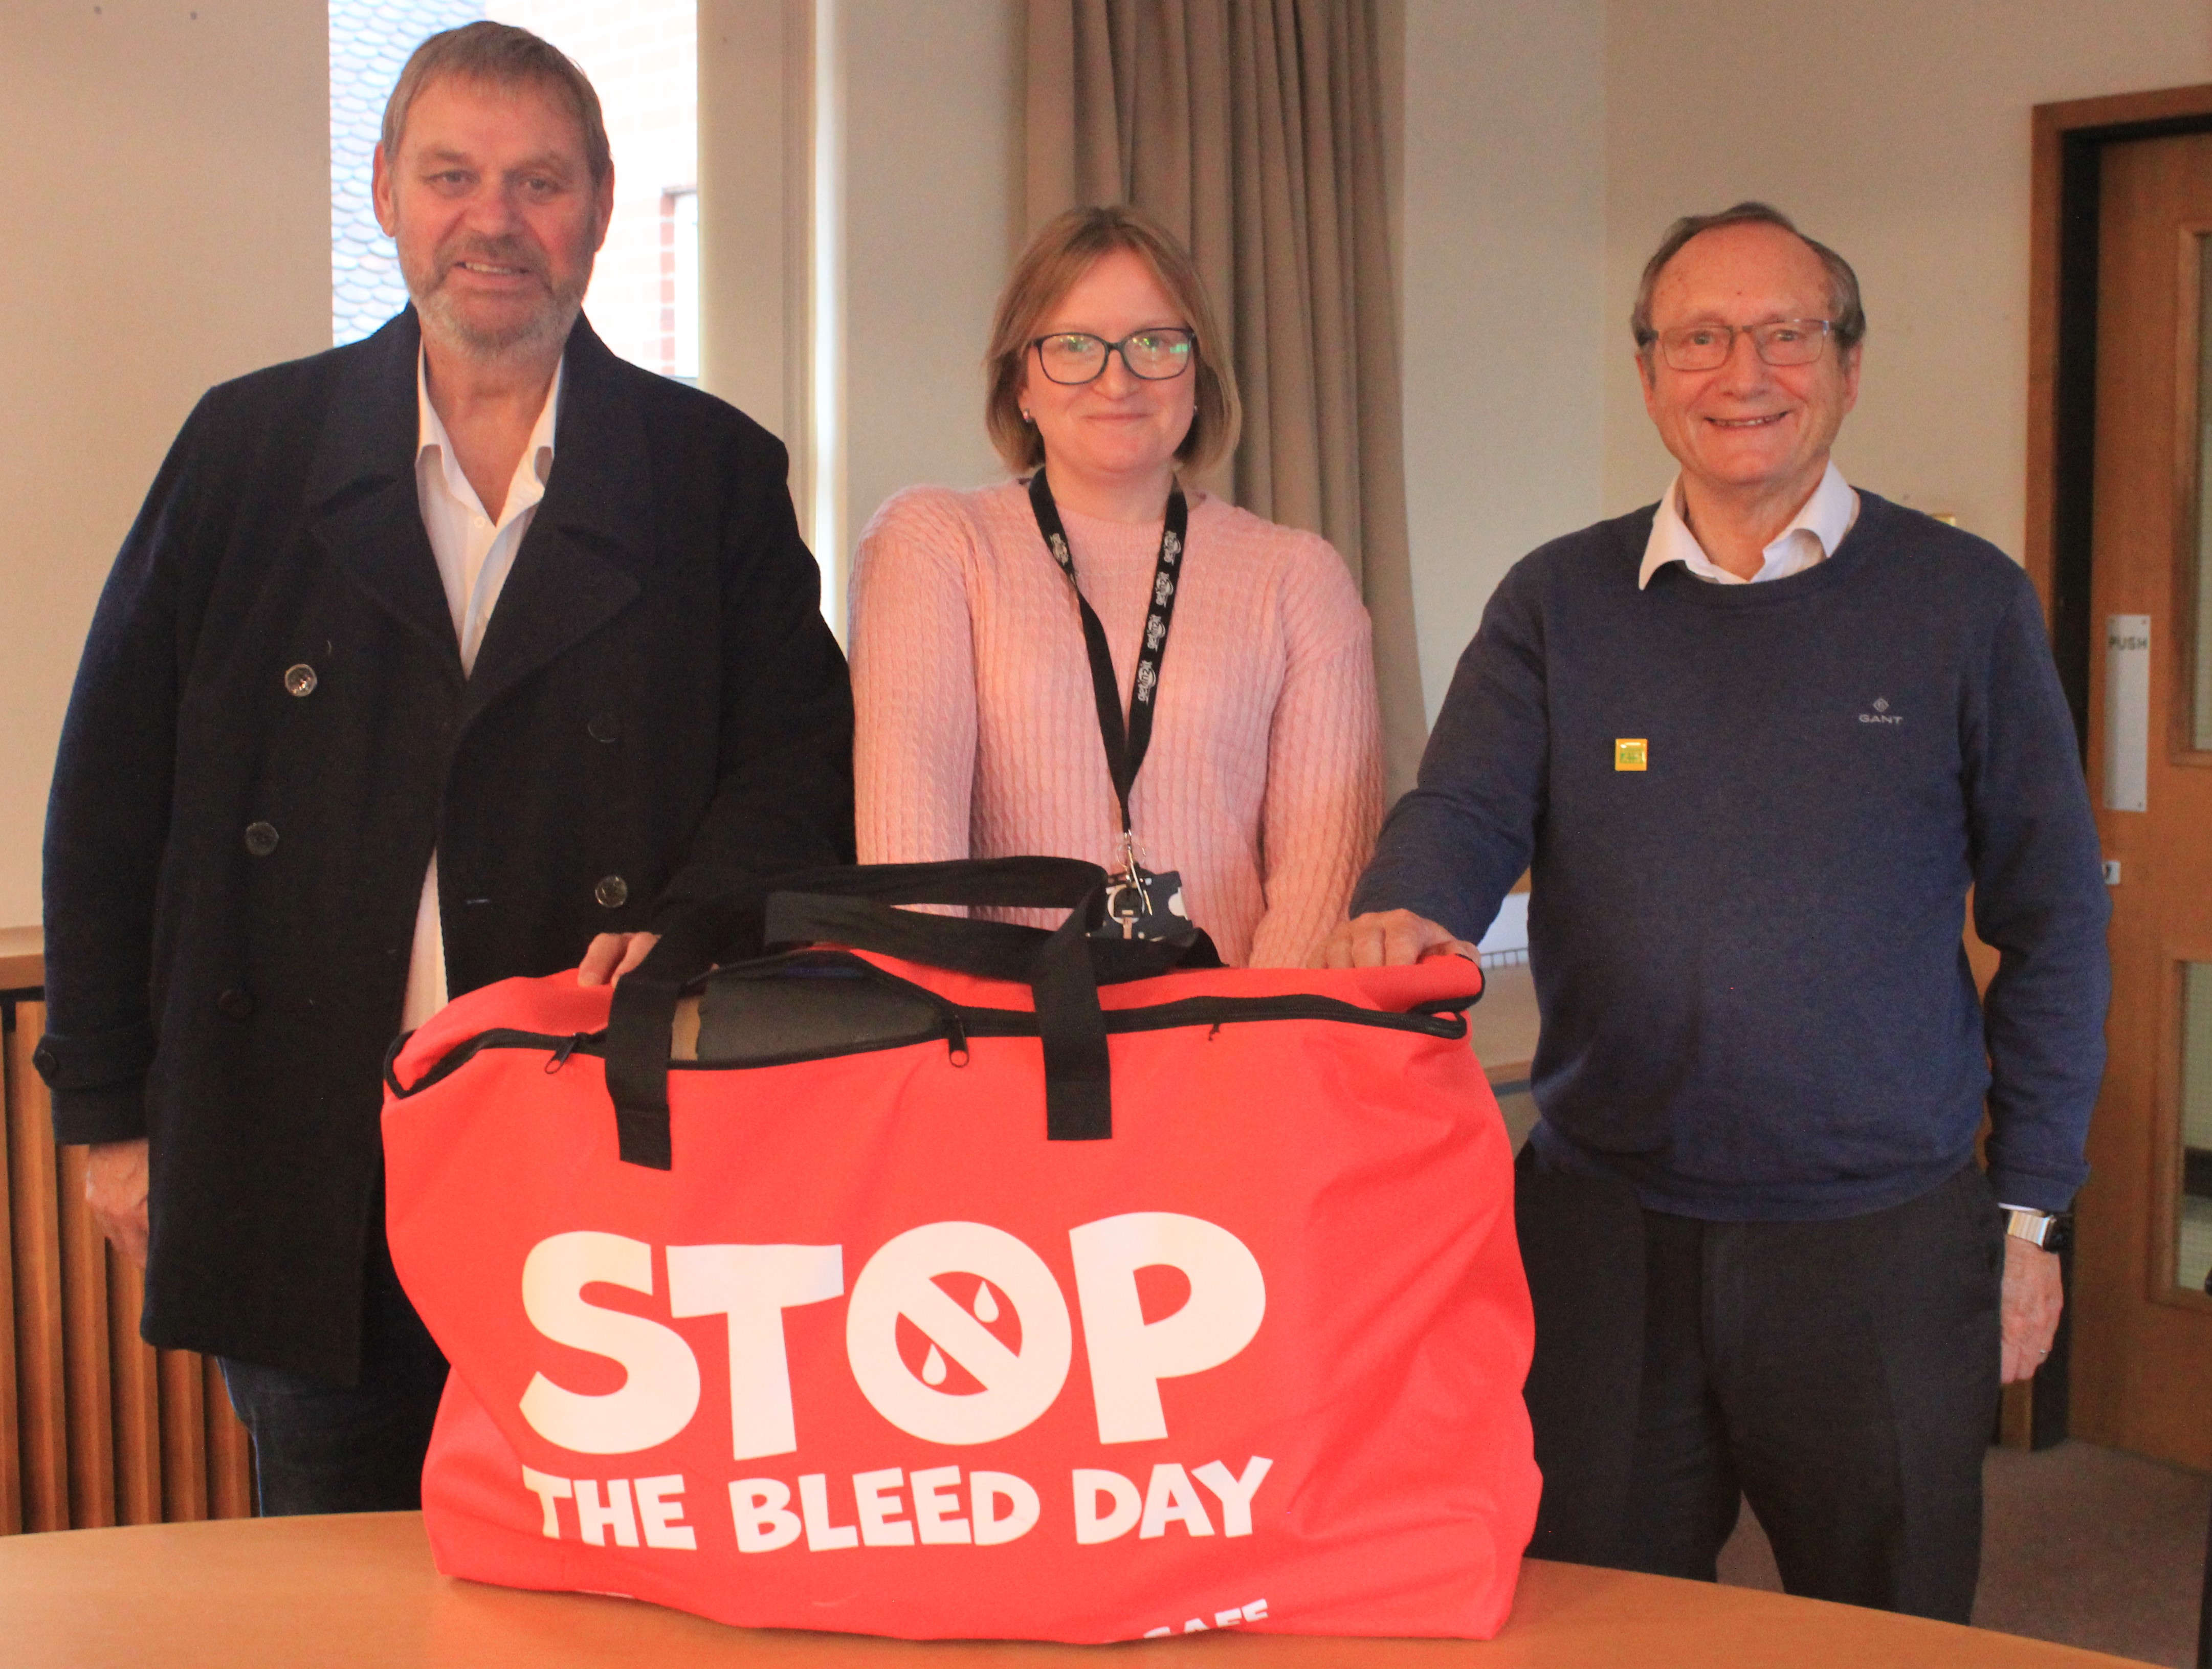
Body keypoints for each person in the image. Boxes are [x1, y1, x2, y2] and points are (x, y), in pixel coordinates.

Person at [33, 23, 853, 1514]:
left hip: (603, 1147)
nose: (496, 219)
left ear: (600, 204)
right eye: (453, 175)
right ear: (386, 193)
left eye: (539, 181)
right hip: (295, 1150)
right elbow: (109, 793)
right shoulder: (247, 449)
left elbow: (799, 769)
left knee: (601, 1575)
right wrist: (107, 1115)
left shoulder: (710, 473)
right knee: (339, 1573)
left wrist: (693, 917)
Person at [1315, 202, 2108, 1621]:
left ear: (1847, 365)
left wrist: (2033, 1214)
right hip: (1604, 1226)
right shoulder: (1557, 598)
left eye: (1783, 332)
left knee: (1888, 1624)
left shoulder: (1963, 602)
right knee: (1596, 1617)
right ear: (1649, 374)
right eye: (1699, 336)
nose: (1741, 369)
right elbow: (1463, 806)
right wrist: (1404, 907)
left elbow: (2054, 916)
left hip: (1874, 1237)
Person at [847, 205, 1380, 967]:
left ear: (1199, 374)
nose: (1117, 377)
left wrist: (1234, 1059)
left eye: (1156, 343)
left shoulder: (1299, 578)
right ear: (1021, 382)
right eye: (1073, 345)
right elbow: (915, 882)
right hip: (1006, 1048)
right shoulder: (935, 544)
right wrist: (993, 1060)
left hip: (1235, 1050)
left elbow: (1319, 888)